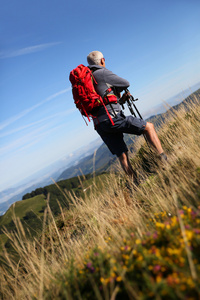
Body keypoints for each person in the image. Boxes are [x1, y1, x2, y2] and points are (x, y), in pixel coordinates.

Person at [87, 51, 167, 183]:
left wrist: (120, 100)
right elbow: (125, 83)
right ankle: (164, 161)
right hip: (113, 118)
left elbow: (102, 102)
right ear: (102, 61)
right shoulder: (102, 73)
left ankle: (135, 183)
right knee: (149, 128)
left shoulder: (87, 80)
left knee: (122, 155)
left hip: (100, 124)